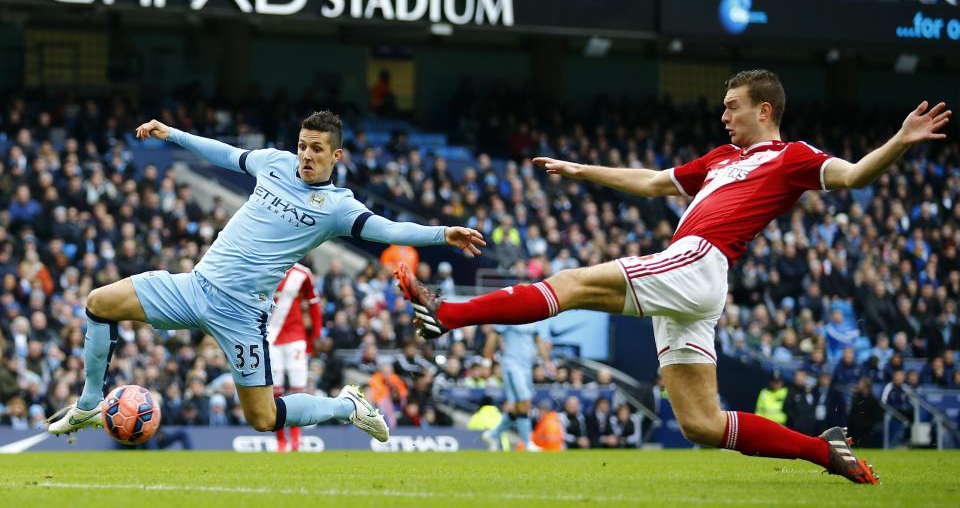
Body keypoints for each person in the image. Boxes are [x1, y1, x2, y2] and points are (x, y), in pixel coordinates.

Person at [397, 70, 951, 483]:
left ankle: (446, 316)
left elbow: (852, 176)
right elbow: (654, 182)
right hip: (695, 285)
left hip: (699, 258)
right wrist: (580, 169)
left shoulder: (792, 156)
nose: (724, 117)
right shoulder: (717, 159)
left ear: (764, 108)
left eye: (732, 108)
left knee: (568, 284)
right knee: (702, 425)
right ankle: (823, 451)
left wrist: (899, 142)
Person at [47, 111, 486, 442]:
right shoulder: (273, 163)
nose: (306, 156)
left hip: (241, 316)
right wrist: (172, 134)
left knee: (263, 418)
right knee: (98, 302)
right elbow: (224, 153)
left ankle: (345, 405)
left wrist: (441, 233)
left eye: (316, 149)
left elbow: (388, 229)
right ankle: (88, 404)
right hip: (193, 287)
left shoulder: (338, 207)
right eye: (302, 145)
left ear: (336, 155)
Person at [269, 261, 323, 452]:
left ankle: (296, 439)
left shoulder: (302, 273)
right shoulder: (265, 268)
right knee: (275, 391)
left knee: (298, 389)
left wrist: (316, 334)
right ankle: (280, 440)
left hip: (295, 338)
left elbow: (314, 303)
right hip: (271, 337)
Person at [480, 322, 554, 451]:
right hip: (511, 365)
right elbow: (492, 337)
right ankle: (527, 443)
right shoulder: (508, 314)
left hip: (527, 367)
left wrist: (547, 362)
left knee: (517, 407)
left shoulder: (534, 317)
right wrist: (486, 362)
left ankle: (494, 434)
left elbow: (538, 340)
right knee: (524, 402)